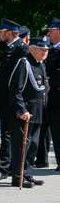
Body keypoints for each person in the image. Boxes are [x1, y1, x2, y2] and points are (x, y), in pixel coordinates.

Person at [0, 19, 28, 181]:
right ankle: (9, 167)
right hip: (5, 100)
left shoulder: (21, 49)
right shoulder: (11, 48)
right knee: (7, 133)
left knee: (10, 135)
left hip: (13, 100)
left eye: (1, 32)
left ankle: (5, 168)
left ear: (10, 33)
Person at [8, 39, 49, 188]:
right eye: (41, 49)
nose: (45, 52)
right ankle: (17, 177)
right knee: (22, 146)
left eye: (46, 50)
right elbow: (15, 89)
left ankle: (27, 173)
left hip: (38, 112)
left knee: (32, 146)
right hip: (25, 113)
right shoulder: (24, 63)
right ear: (32, 49)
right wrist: (21, 110)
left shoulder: (40, 64)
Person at [46, 19, 60, 172]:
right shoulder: (51, 49)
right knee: (55, 131)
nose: (48, 33)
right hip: (54, 98)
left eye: (51, 30)